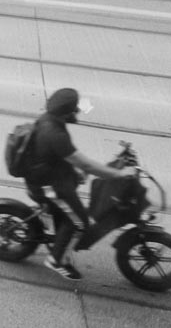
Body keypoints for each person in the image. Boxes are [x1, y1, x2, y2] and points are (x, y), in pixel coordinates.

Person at [24, 87, 137, 281]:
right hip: (49, 187)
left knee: (73, 206)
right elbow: (84, 163)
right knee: (80, 223)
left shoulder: (50, 121)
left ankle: (58, 230)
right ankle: (56, 260)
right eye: (75, 109)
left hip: (52, 176)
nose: (77, 112)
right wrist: (118, 175)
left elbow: (70, 159)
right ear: (66, 113)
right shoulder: (55, 134)